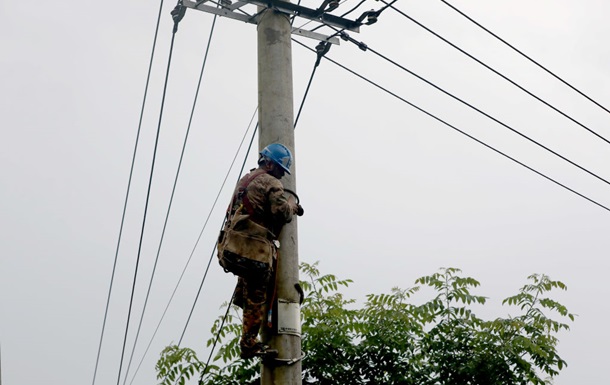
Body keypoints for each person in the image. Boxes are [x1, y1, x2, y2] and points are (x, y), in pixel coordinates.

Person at [222, 143, 303, 359]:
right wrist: (293, 205)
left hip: (231, 246)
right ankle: (249, 344)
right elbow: (281, 213)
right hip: (252, 251)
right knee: (258, 294)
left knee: (248, 282)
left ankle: (243, 299)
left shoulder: (246, 179)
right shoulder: (272, 183)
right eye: (278, 169)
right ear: (268, 163)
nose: (280, 175)